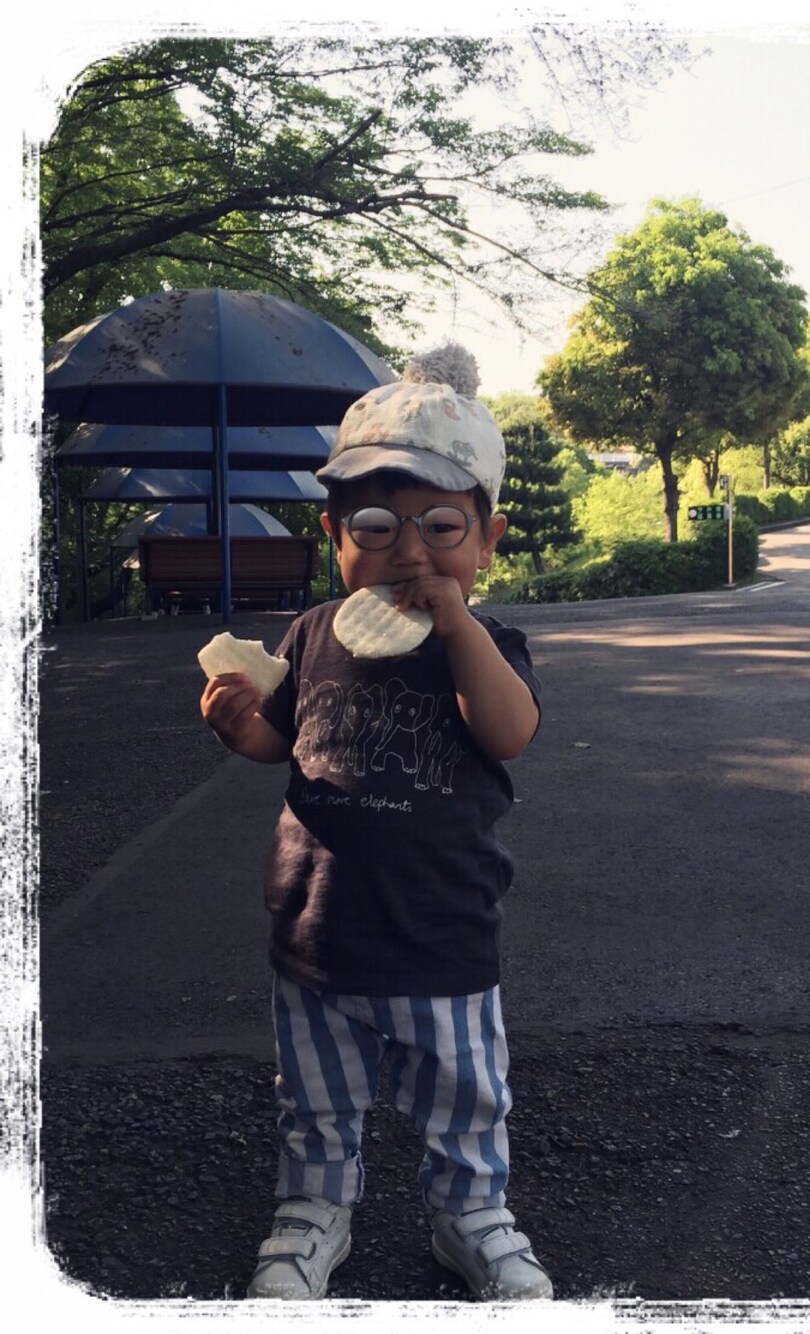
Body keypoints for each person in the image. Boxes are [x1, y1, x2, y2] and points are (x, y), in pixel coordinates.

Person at [199, 344, 553, 1304]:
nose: (409, 551)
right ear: (335, 536)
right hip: (316, 923)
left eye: (440, 526)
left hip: (443, 925)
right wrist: (240, 728)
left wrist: (459, 627)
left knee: (463, 1097)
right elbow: (284, 743)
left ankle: (470, 1213)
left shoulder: (488, 645)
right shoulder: (314, 634)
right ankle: (315, 1208)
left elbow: (509, 733)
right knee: (315, 1099)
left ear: (487, 540)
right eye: (375, 526)